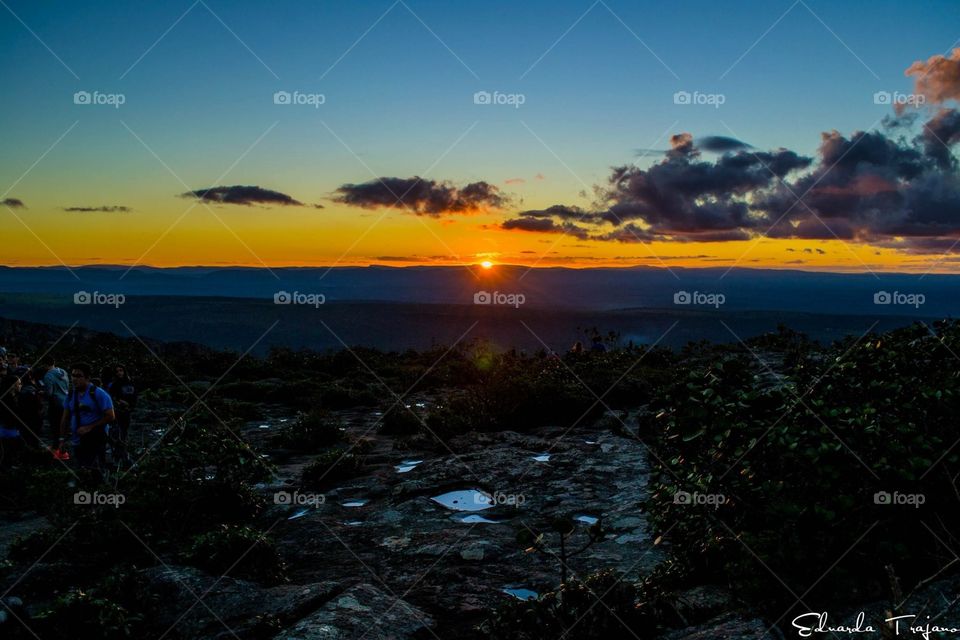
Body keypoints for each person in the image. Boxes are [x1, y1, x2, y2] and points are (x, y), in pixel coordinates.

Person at [60, 363, 115, 472]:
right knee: (82, 468)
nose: (74, 379)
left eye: (79, 376)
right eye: (73, 375)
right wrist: (61, 440)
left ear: (87, 377)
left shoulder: (99, 394)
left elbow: (111, 416)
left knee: (95, 469)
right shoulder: (71, 395)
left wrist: (89, 427)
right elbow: (65, 418)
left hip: (95, 439)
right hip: (77, 440)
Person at [107, 364, 137, 464]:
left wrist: (130, 405)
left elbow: (134, 396)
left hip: (127, 411)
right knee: (117, 432)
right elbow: (110, 397)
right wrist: (119, 402)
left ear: (124, 371)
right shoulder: (114, 384)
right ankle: (118, 455)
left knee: (125, 432)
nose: (120, 373)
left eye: (121, 370)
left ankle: (123, 454)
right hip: (117, 411)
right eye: (117, 371)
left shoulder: (130, 382)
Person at [41, 357, 69, 441]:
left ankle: (56, 447)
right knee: (64, 426)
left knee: (55, 427)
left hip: (55, 404)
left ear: (45, 365)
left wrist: (42, 393)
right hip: (65, 402)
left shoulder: (48, 375)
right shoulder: (63, 371)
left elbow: (49, 393)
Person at [16, 368, 43, 447]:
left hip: (26, 418)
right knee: (33, 441)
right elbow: (39, 406)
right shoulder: (31, 388)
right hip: (34, 418)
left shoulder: (22, 390)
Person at [0, 374, 22, 468]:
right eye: (19, 384)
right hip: (8, 429)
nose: (21, 385)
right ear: (13, 385)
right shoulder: (7, 399)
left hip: (11, 428)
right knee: (8, 452)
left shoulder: (13, 397)